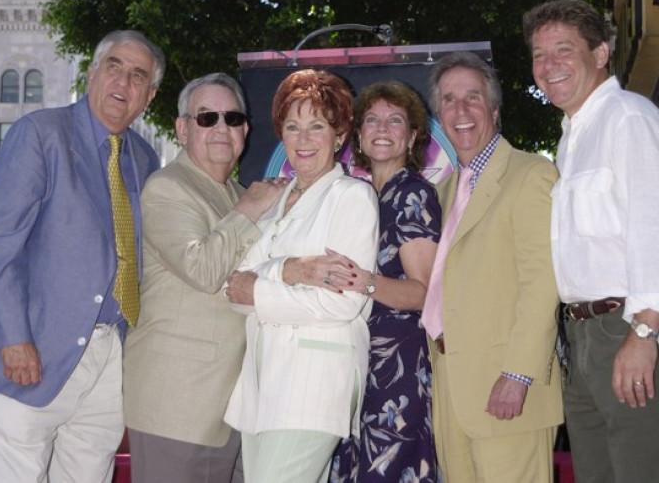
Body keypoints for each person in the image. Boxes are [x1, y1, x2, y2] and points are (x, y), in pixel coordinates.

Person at [0, 30, 164, 482]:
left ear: (149, 97)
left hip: (107, 364)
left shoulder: (145, 158)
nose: (123, 81)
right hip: (30, 356)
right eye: (113, 66)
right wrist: (13, 338)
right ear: (92, 73)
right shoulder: (40, 133)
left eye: (138, 76)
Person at [523, 0, 659, 483]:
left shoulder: (630, 119)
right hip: (584, 339)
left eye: (564, 50)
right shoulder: (573, 137)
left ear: (601, 53)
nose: (548, 65)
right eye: (539, 55)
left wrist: (643, 332)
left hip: (633, 329)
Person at [122, 73, 286, 483]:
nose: (220, 128)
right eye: (206, 117)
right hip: (178, 407)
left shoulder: (236, 192)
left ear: (245, 130)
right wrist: (250, 210)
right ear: (182, 128)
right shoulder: (167, 188)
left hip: (231, 408)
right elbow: (203, 270)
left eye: (232, 118)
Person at [223, 68, 379, 483]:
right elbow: (233, 288)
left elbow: (341, 301)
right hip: (261, 388)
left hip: (312, 388)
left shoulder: (352, 197)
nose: (304, 139)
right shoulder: (277, 198)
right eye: (293, 127)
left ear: (340, 134)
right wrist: (290, 271)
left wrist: (261, 285)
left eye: (317, 126)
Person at [422, 51, 562, 483]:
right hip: (449, 388)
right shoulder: (441, 192)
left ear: (495, 111)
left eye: (473, 98)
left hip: (506, 387)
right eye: (448, 100)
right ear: (438, 116)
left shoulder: (532, 174)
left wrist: (517, 374)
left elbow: (543, 283)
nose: (460, 110)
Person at [327, 81, 441, 482]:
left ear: (412, 137)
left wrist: (365, 281)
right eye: (372, 119)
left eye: (395, 121)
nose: (381, 128)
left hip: (396, 366)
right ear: (357, 134)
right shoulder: (355, 193)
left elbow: (423, 294)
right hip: (353, 360)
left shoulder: (412, 194)